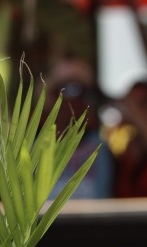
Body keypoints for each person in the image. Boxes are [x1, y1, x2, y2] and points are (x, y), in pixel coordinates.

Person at [45, 55, 114, 200]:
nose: (76, 98)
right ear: (52, 96)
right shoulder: (34, 147)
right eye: (69, 89)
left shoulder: (100, 148)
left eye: (84, 91)